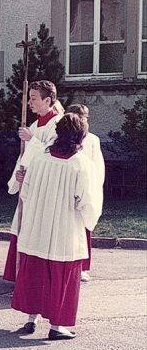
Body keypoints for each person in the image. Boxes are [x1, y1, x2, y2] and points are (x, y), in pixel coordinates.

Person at [11, 113, 97, 340]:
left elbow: (26, 191)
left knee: (36, 272)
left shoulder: (40, 158)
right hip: (65, 228)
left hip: (37, 225)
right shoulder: (81, 164)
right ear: (81, 135)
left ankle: (31, 318)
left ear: (58, 132)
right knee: (61, 276)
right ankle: (58, 326)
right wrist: (88, 219)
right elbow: (87, 201)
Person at [3, 80, 63, 282]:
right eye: (29, 98)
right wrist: (21, 173)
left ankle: (35, 278)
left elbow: (55, 153)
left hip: (46, 186)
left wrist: (32, 140)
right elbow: (26, 156)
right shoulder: (35, 125)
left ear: (48, 100)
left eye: (34, 98)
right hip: (30, 183)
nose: (29, 102)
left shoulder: (59, 124)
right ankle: (20, 275)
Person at [67, 104, 105, 282]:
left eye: (83, 118)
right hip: (68, 186)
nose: (80, 120)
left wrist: (94, 187)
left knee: (84, 229)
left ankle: (83, 266)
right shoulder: (64, 137)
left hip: (85, 186)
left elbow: (97, 166)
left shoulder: (92, 140)